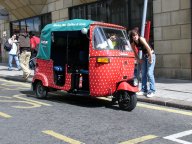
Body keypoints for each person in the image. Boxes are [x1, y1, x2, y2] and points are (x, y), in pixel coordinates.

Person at [130, 28, 156, 98]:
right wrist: (138, 59)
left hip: (151, 54)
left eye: (135, 35)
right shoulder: (132, 43)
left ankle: (152, 91)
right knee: (143, 73)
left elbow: (148, 48)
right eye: (133, 36)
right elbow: (134, 52)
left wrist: (150, 58)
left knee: (149, 73)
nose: (135, 37)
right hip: (145, 57)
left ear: (138, 35)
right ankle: (144, 89)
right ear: (132, 37)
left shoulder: (141, 39)